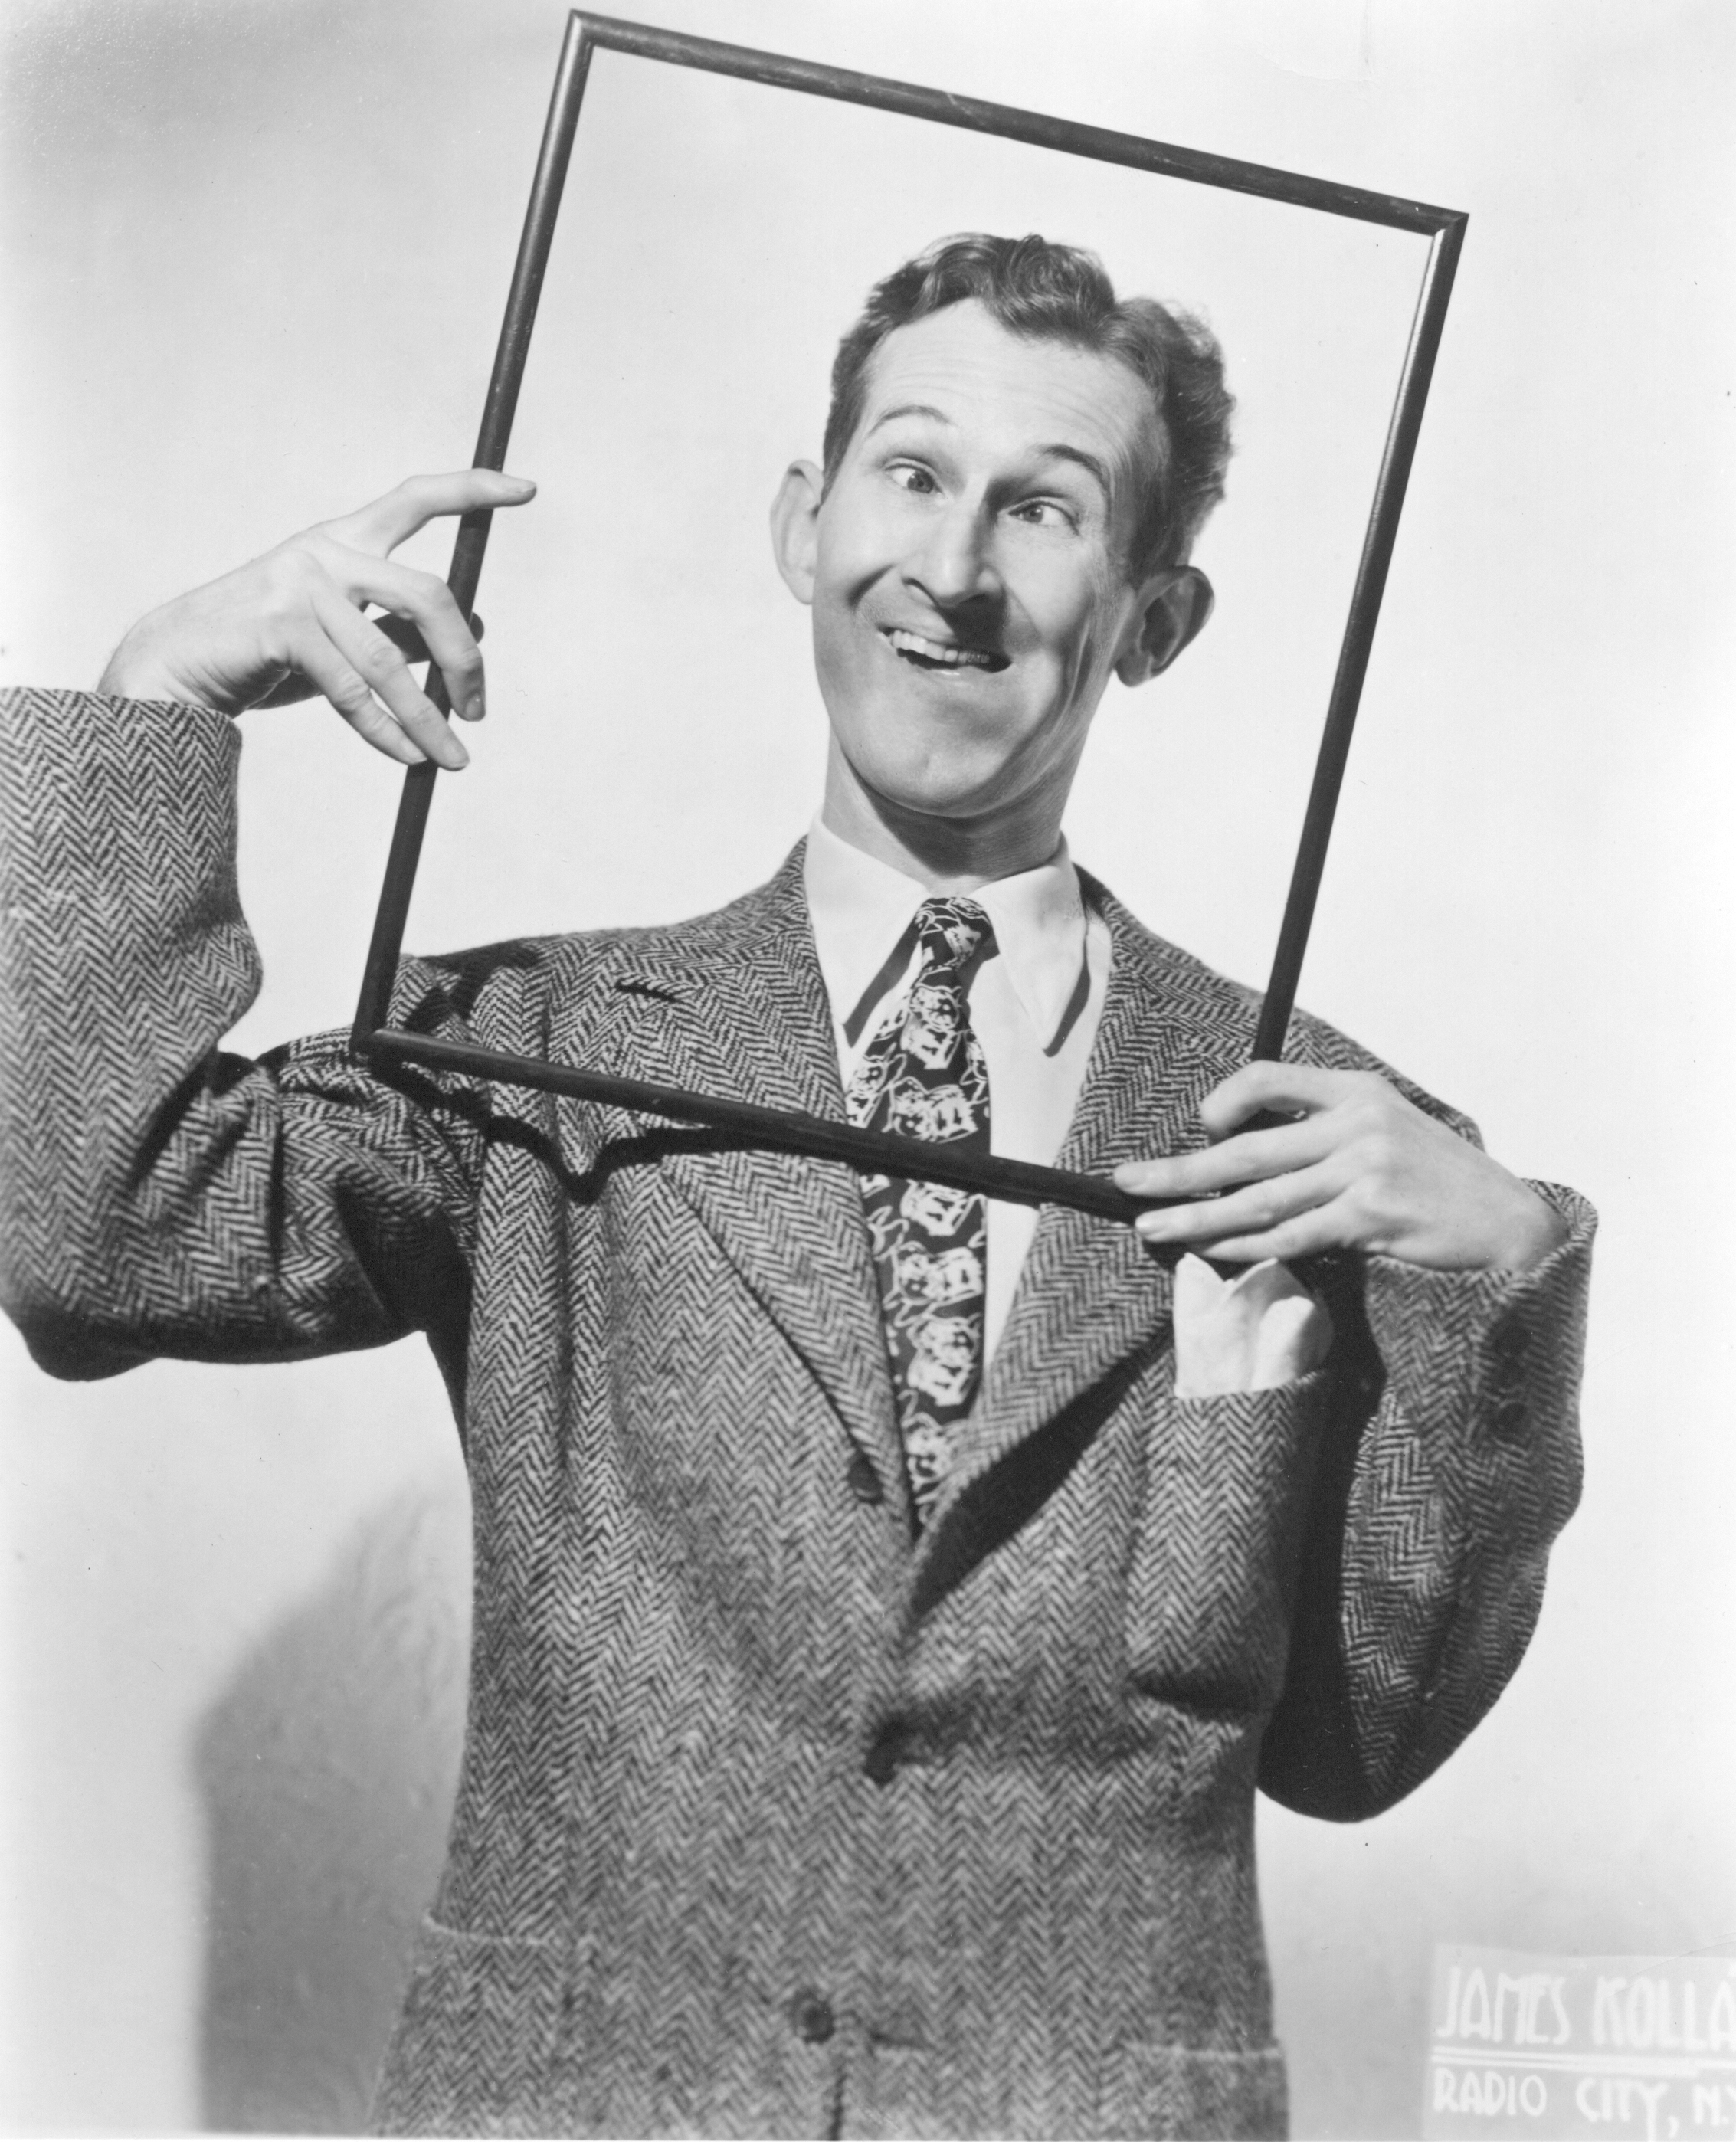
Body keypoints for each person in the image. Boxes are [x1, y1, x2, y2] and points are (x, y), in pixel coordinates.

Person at [0, 234, 1591, 2140]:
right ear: (799, 525)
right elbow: (90, 1243)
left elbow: (1356, 1744)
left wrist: (1508, 1281)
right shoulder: (531, 1050)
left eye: (1045, 509)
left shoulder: (1308, 1129)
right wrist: (152, 699)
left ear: (1154, 617)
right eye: (910, 473)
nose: (954, 567)